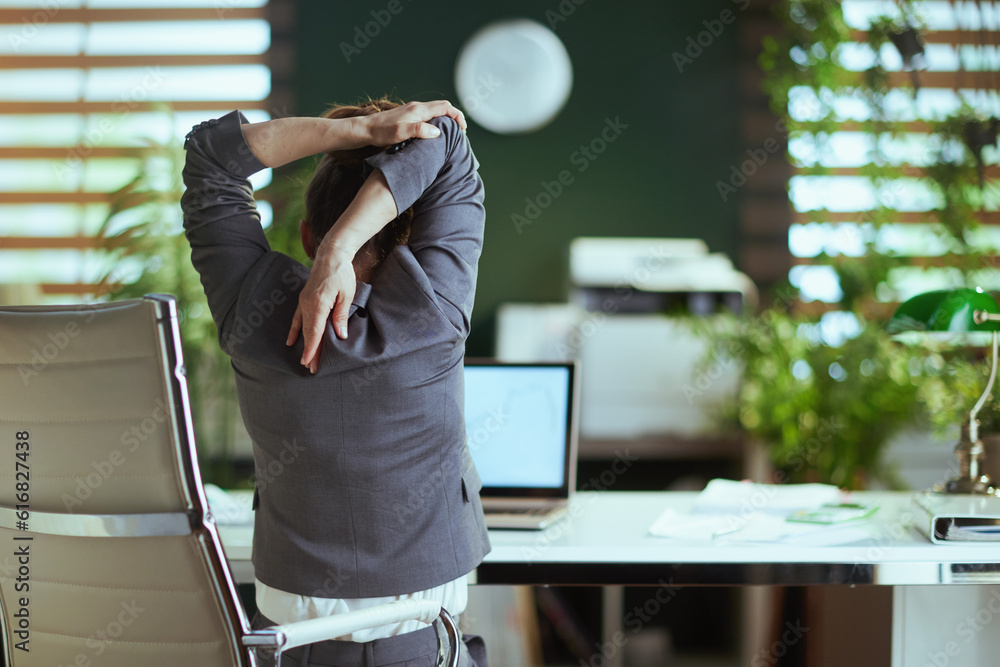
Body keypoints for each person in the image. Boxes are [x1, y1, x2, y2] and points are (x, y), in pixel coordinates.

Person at [181, 98, 491, 666]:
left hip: (288, 652)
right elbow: (446, 136)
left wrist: (357, 132)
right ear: (413, 231)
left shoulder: (248, 311)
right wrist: (341, 248)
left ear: (304, 235)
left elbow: (209, 155)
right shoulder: (437, 305)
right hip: (423, 650)